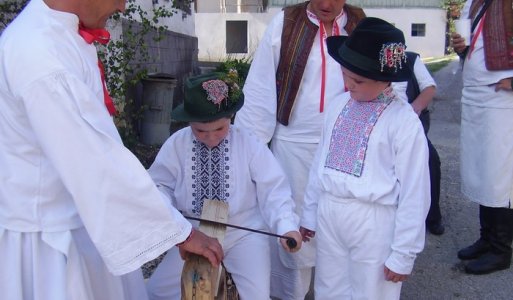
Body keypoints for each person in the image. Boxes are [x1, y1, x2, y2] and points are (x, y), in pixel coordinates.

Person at [0, 0, 223, 299]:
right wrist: (179, 232)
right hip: (52, 244)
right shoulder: (40, 53)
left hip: (83, 220)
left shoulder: (58, 36)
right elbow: (95, 162)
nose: (121, 8)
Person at [234, 0, 365, 298]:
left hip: (345, 141)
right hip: (293, 142)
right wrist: (246, 151)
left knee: (338, 221)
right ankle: (291, 294)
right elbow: (260, 86)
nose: (326, 4)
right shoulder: (286, 22)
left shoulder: (358, 22)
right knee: (293, 222)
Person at [299, 17, 430, 299]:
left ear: (386, 80)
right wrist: (309, 213)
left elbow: (415, 192)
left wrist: (403, 253)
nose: (349, 84)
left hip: (374, 223)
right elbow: (319, 164)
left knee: (371, 292)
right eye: (345, 75)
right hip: (330, 212)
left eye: (358, 80)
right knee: (328, 288)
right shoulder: (337, 106)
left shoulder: (403, 122)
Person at [145, 72, 303, 300]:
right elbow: (159, 185)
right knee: (156, 291)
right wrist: (175, 227)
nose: (210, 138)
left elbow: (274, 189)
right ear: (188, 122)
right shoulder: (177, 144)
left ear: (231, 117)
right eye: (200, 131)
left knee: (257, 295)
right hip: (195, 233)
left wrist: (286, 225)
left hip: (243, 232)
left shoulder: (249, 143)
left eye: (219, 129)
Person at [451, 0, 513, 275]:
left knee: (497, 173)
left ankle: (501, 250)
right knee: (480, 169)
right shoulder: (473, 3)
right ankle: (487, 239)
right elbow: (474, 43)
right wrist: (462, 48)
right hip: (476, 94)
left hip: (502, 98)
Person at [393, 51, 445, 235]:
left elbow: (429, 88)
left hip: (409, 126)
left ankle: (432, 216)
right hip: (377, 126)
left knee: (431, 161)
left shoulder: (410, 59)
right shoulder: (367, 60)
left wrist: (412, 110)